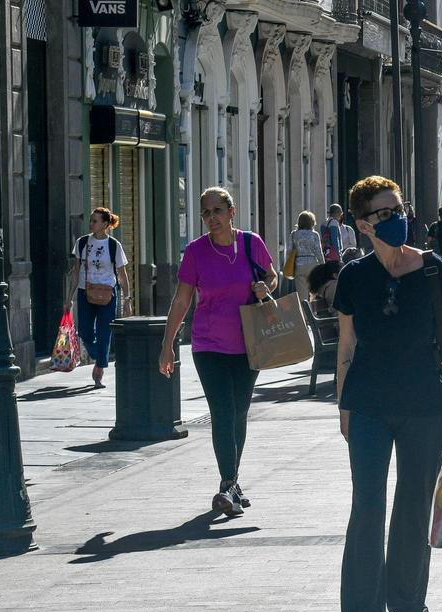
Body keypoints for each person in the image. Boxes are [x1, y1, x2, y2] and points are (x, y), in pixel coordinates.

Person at [332, 176, 442, 612]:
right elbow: (346, 345)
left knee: (415, 506)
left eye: (400, 208)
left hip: (423, 405)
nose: (398, 218)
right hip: (370, 407)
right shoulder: (354, 277)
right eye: (385, 213)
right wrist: (343, 405)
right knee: (368, 505)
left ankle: (409, 607)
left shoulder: (434, 270)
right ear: (362, 224)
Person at [158, 187, 277, 516]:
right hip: (209, 345)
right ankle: (227, 484)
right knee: (223, 413)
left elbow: (272, 276)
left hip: (249, 344)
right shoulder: (196, 251)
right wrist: (167, 345)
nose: (212, 218)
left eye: (217, 211)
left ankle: (233, 483)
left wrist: (267, 286)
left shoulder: (252, 243)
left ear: (231, 212)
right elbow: (182, 300)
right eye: (206, 213)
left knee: (239, 413)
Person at [65, 207, 132, 387]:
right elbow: (75, 272)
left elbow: (122, 273)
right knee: (85, 331)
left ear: (105, 224)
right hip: (85, 291)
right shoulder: (82, 242)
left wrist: (127, 298)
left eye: (95, 221)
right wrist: (68, 298)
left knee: (104, 332)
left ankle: (100, 367)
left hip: (108, 293)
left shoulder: (113, 245)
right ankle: (99, 356)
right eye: (91, 220)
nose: (91, 223)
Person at [289, 211, 325, 301]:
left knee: (302, 294)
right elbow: (318, 252)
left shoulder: (294, 234)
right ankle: (313, 312)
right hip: (312, 264)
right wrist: (323, 265)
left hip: (299, 264)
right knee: (313, 291)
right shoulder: (314, 235)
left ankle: (304, 313)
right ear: (312, 222)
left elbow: (289, 250)